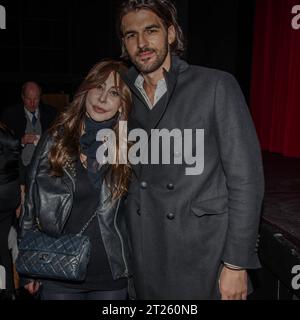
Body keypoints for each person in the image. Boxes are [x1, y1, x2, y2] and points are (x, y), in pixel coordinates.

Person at [117, 0, 265, 300]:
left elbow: (246, 181)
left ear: (171, 34)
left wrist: (236, 263)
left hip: (203, 257)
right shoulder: (120, 93)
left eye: (151, 30)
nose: (141, 43)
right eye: (131, 35)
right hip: (143, 255)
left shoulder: (215, 85)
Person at [19, 60, 133, 300]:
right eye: (98, 87)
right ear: (85, 90)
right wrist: (27, 266)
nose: (102, 98)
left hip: (110, 275)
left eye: (113, 93)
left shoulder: (128, 149)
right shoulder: (55, 139)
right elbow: (31, 205)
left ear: (123, 104)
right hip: (59, 268)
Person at [0, 82, 57, 185]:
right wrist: (21, 141)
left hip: (44, 169)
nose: (32, 103)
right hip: (19, 170)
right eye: (28, 99)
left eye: (36, 99)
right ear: (22, 97)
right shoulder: (10, 114)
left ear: (40, 97)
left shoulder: (52, 113)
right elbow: (3, 145)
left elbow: (58, 140)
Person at [0, 122, 21, 299]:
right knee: (2, 246)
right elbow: (17, 164)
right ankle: (8, 291)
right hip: (10, 194)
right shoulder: (8, 130)